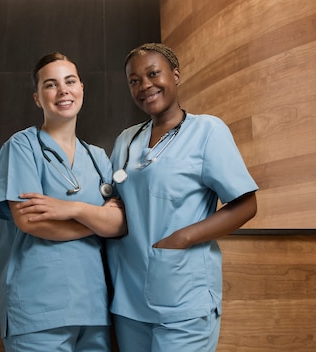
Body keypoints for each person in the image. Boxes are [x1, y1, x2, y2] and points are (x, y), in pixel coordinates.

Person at [105, 43, 258, 351]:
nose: (145, 85)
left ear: (175, 75)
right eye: (134, 80)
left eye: (153, 74)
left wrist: (183, 238)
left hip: (183, 296)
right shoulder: (126, 140)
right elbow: (115, 205)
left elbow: (246, 204)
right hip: (128, 299)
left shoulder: (207, 131)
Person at [0, 52, 127, 352]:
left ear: (81, 89)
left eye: (70, 81)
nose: (63, 90)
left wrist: (73, 209)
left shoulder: (98, 157)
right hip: (37, 309)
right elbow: (30, 221)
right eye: (50, 85)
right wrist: (96, 221)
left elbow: (120, 224)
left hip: (93, 309)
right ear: (37, 98)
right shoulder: (22, 147)